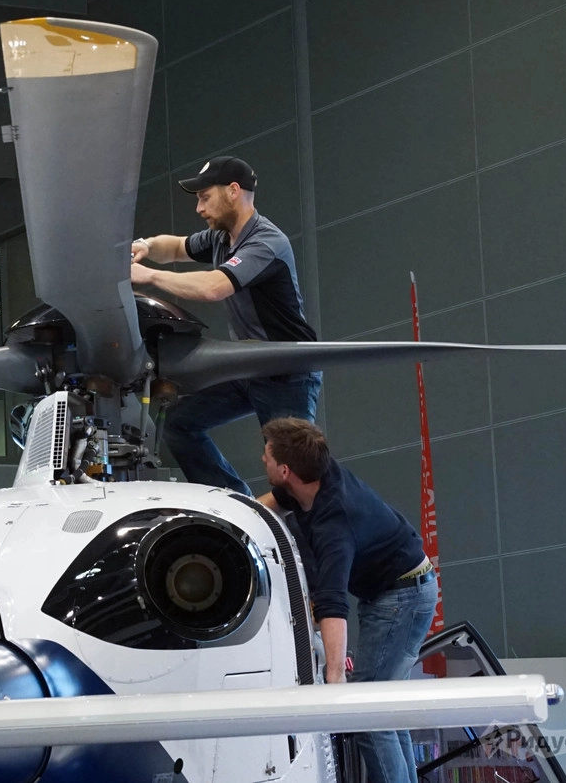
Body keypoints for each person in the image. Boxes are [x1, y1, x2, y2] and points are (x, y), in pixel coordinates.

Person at [257, 417, 437, 783]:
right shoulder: (313, 476)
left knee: (366, 713)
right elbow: (275, 499)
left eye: (268, 455)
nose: (263, 459)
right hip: (402, 590)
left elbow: (333, 603)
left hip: (402, 597)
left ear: (285, 470)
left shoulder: (334, 524)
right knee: (385, 711)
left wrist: (335, 679)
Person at [130, 155, 319, 495]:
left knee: (294, 478)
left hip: (286, 373)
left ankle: (302, 526)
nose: (199, 208)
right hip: (248, 367)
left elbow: (214, 287)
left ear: (233, 191)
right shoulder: (221, 238)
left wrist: (149, 277)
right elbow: (174, 247)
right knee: (178, 424)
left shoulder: (265, 243)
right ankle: (237, 500)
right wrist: (144, 246)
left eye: (205, 197)